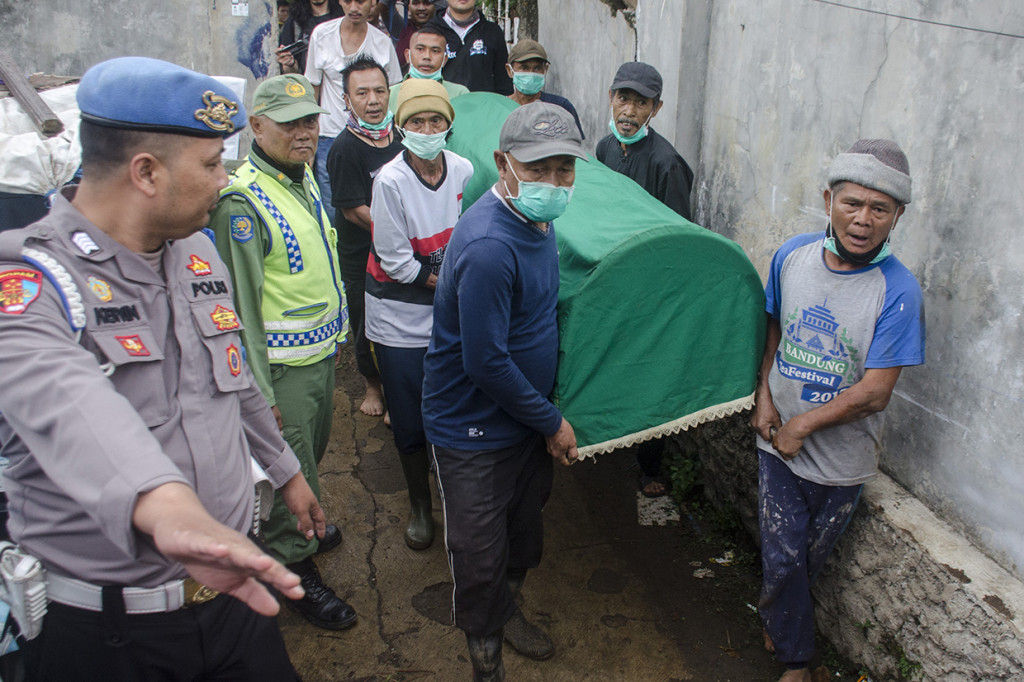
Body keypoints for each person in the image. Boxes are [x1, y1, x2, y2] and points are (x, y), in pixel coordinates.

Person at [0, 56, 327, 681]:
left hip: (233, 598)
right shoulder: (31, 281)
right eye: (210, 165)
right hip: (113, 634)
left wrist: (286, 472)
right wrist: (166, 505)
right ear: (145, 172)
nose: (224, 178)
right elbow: (71, 405)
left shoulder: (197, 251)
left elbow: (234, 379)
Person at [749, 139, 925, 682]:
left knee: (807, 558)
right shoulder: (792, 256)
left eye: (879, 209)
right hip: (776, 442)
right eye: (852, 203)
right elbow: (772, 324)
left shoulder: (897, 292)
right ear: (828, 200)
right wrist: (764, 396)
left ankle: (779, 618)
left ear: (897, 216)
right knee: (782, 555)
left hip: (842, 461)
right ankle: (797, 662)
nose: (863, 220)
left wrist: (804, 424)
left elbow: (875, 392)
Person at [421, 102, 585, 681]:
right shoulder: (492, 244)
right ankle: (485, 665)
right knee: (480, 560)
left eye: (564, 169)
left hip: (522, 420)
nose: (553, 182)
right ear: (503, 163)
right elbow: (486, 362)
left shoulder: (536, 221)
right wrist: (552, 422)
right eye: (537, 169)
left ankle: (507, 614)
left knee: (523, 535)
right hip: (473, 430)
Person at [208, 74, 356, 631]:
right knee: (285, 467)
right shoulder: (240, 205)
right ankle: (292, 570)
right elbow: (238, 311)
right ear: (256, 126)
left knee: (310, 456)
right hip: (280, 372)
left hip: (317, 358)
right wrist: (260, 395)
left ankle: (305, 528)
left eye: (311, 120)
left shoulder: (301, 178)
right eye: (290, 122)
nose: (305, 132)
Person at [367, 79, 473, 550]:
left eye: (435, 121)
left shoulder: (464, 171)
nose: (426, 129)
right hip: (399, 316)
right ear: (400, 127)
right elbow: (396, 262)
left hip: (446, 312)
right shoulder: (389, 181)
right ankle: (418, 504)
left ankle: (454, 495)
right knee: (409, 416)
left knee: (451, 404)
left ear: (448, 126)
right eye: (416, 121)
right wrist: (455, 287)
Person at [595, 61, 696, 497]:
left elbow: (676, 241)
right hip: (608, 278)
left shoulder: (666, 163)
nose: (629, 110)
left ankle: (650, 466)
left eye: (640, 102)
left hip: (649, 289)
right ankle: (605, 434)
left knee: (648, 373)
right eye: (623, 97)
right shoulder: (602, 149)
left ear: (656, 108)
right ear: (611, 98)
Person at [328, 57, 404, 417]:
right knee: (365, 323)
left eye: (379, 91)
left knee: (398, 319)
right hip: (363, 254)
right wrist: (399, 233)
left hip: (403, 250)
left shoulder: (402, 137)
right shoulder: (344, 148)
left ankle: (397, 384)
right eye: (362, 93)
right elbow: (353, 210)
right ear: (347, 100)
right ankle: (374, 387)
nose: (372, 101)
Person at [304, 0, 401, 224]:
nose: (354, 7)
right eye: (348, 1)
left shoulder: (382, 42)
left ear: (374, 3)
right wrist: (311, 140)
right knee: (333, 211)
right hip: (329, 136)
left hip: (375, 139)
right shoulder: (322, 35)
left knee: (377, 202)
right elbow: (313, 90)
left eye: (361, 1)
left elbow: (394, 90)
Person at [427, 0, 513, 95]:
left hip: (483, 106)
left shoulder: (492, 32)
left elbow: (503, 80)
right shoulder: (430, 32)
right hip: (444, 105)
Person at [505, 38, 584, 139]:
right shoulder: (500, 108)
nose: (531, 74)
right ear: (509, 70)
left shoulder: (560, 107)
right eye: (524, 68)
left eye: (537, 68)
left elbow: (575, 147)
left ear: (545, 69)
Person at [388, 25, 470, 114]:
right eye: (420, 49)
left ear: (444, 60)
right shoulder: (390, 94)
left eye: (435, 51)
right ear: (407, 56)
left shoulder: (459, 93)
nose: (427, 56)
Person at [277, 0, 344, 75]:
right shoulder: (295, 22)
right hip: (306, 83)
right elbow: (290, 71)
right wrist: (289, 63)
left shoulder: (344, 19)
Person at [395, 0, 439, 70]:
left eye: (427, 3)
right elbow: (385, 5)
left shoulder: (444, 28)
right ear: (408, 7)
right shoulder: (400, 27)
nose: (421, 8)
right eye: (416, 3)